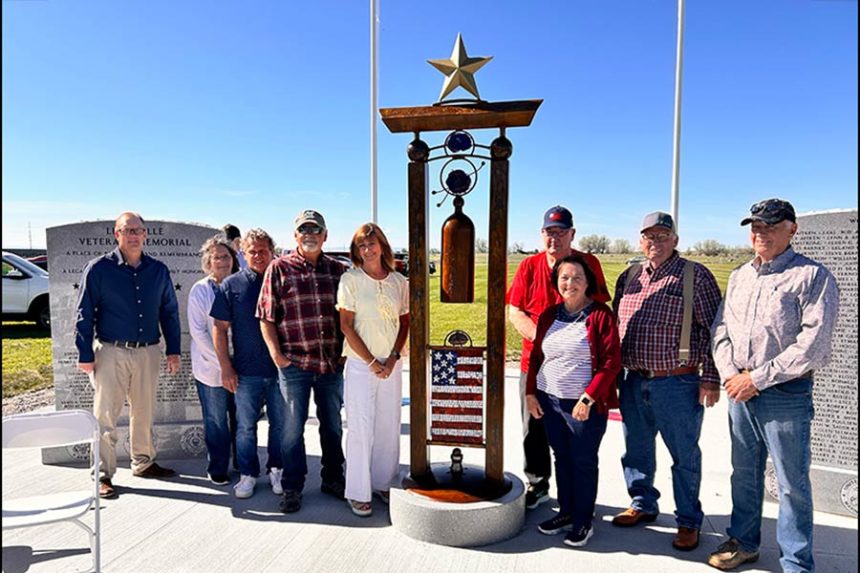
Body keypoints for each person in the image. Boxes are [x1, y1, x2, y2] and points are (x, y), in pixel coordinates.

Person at [708, 199, 838, 572]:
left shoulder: (812, 277)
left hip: (785, 394)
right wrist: (731, 373)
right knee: (744, 473)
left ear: (791, 229)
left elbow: (813, 345)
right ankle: (745, 542)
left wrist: (756, 379)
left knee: (790, 483)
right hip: (739, 389)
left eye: (769, 225)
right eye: (755, 226)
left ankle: (796, 562)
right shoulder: (739, 276)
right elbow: (721, 329)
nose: (759, 232)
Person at [611, 211, 722, 551]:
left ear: (675, 239)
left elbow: (716, 331)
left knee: (684, 456)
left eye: (662, 235)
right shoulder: (629, 275)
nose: (654, 242)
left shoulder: (695, 276)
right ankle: (643, 503)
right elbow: (615, 327)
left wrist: (711, 379)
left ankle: (688, 521)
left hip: (677, 383)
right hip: (632, 380)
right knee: (637, 451)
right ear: (640, 240)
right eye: (648, 236)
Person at [507, 205, 611, 509]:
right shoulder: (529, 266)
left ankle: (578, 498)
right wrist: (543, 341)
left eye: (561, 231)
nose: (555, 237)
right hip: (535, 363)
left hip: (578, 365)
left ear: (572, 233)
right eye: (550, 232)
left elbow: (599, 307)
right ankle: (538, 485)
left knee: (576, 430)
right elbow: (515, 311)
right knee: (534, 427)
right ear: (542, 234)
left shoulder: (587, 263)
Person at [75, 212, 181, 499]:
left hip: (147, 351)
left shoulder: (158, 270)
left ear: (146, 235)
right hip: (110, 351)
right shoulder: (98, 269)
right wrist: (84, 353)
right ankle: (102, 474)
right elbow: (84, 313)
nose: (133, 235)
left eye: (138, 230)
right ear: (116, 234)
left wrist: (173, 350)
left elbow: (169, 312)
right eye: (127, 230)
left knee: (144, 412)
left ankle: (143, 462)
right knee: (106, 416)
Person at [525, 255, 621, 548]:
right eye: (564, 277)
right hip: (549, 401)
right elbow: (537, 357)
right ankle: (565, 512)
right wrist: (530, 393)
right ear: (557, 282)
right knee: (561, 458)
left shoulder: (600, 315)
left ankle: (583, 520)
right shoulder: (549, 315)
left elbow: (610, 362)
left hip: (583, 405)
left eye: (577, 277)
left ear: (588, 281)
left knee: (583, 461)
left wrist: (589, 397)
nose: (570, 283)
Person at [257, 209, 347, 513]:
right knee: (291, 429)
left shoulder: (338, 271)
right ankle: (293, 486)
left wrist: (345, 354)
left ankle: (333, 478)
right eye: (303, 230)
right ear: (295, 235)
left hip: (331, 365)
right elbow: (266, 318)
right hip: (294, 365)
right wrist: (277, 356)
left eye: (315, 230)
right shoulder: (279, 269)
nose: (309, 235)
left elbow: (349, 318)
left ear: (325, 235)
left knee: (332, 426)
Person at [337, 223, 410, 517]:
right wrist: (370, 362)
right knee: (360, 427)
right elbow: (346, 325)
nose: (367, 250)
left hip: (391, 363)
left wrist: (391, 358)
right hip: (359, 364)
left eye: (371, 244)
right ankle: (357, 491)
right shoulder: (350, 280)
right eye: (361, 246)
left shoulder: (398, 281)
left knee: (388, 425)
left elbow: (404, 322)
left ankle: (383, 483)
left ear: (382, 245)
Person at [211, 229, 286, 499]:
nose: (257, 256)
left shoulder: (283, 280)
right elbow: (219, 329)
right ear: (243, 253)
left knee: (280, 425)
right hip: (245, 372)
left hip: (281, 371)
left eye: (263, 250)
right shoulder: (231, 285)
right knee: (245, 427)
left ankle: (276, 469)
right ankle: (248, 474)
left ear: (272, 251)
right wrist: (225, 367)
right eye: (252, 251)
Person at [188, 236, 239, 486]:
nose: (222, 261)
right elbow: (198, 332)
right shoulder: (200, 290)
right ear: (208, 261)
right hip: (211, 368)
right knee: (217, 420)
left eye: (226, 256)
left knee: (242, 418)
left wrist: (236, 364)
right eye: (216, 257)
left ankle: (243, 462)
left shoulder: (240, 284)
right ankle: (218, 466)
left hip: (240, 366)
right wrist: (224, 365)